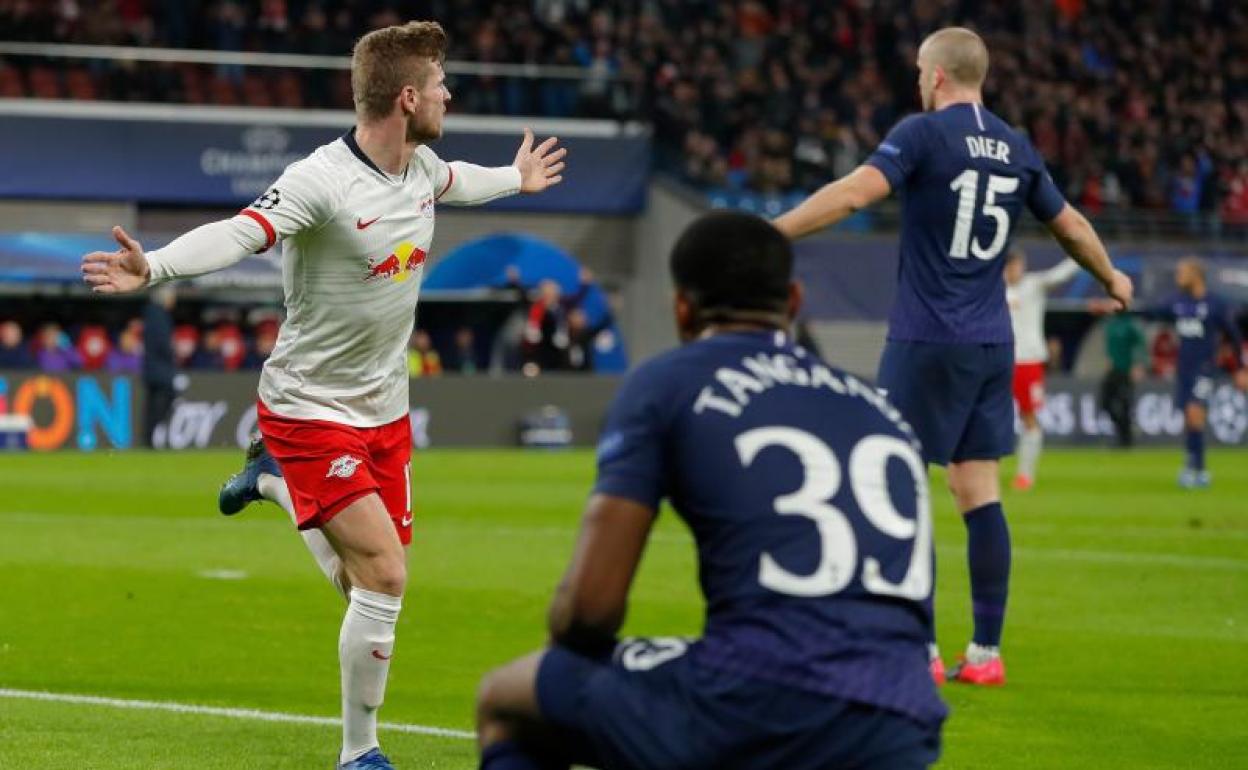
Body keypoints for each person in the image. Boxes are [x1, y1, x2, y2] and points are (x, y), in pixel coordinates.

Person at [81, 20, 565, 770]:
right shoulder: (321, 181)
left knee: (366, 589)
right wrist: (159, 268)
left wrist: (515, 178)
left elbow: (460, 181)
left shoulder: (421, 168)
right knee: (387, 576)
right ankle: (358, 753)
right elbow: (241, 233)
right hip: (308, 406)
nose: (449, 93)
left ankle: (270, 481)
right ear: (407, 98)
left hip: (385, 409)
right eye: (440, 84)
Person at [475, 211, 945, 770]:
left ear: (682, 309)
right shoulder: (878, 409)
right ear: (793, 302)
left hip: (760, 702)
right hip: (905, 723)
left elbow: (592, 612)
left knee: (507, 699)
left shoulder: (667, 382)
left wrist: (565, 638)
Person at [773, 27, 1132, 686]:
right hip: (992, 344)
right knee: (979, 493)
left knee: (899, 490)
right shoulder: (1017, 146)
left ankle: (921, 651)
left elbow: (855, 193)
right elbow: (1072, 226)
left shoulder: (921, 133)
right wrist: (1112, 279)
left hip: (926, 338)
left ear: (936, 75)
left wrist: (774, 232)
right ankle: (986, 654)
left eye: (918, 70)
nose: (916, 80)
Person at [1126, 258, 1247, 487]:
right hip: (1185, 369)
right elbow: (1150, 312)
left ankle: (1199, 470)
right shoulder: (1177, 302)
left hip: (1205, 368)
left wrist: (1240, 370)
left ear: (1196, 275)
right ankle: (1192, 462)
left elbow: (1234, 337)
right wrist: (1122, 306)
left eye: (1183, 272)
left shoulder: (1216, 304)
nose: (1178, 276)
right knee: (1189, 420)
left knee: (1194, 413)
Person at [1003, 249, 1079, 490]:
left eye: (1017, 265)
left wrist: (1081, 253)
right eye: (1010, 266)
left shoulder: (1033, 285)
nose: (1015, 270)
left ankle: (1025, 474)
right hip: (998, 360)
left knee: (1029, 416)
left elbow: (1060, 275)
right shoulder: (993, 290)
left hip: (1029, 362)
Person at [1099, 312, 1145, 448]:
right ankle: (1124, 431)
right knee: (1105, 403)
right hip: (1113, 371)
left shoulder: (1130, 325)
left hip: (1126, 371)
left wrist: (1138, 364)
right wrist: (1108, 359)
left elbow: (1140, 344)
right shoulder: (1110, 324)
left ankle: (1126, 440)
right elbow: (1109, 346)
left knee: (1125, 406)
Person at [142, 287, 177, 448]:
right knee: (161, 404)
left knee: (152, 407)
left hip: (151, 369)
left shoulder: (150, 315)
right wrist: (172, 352)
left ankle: (149, 439)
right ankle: (151, 439)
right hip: (160, 371)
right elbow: (163, 344)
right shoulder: (159, 316)